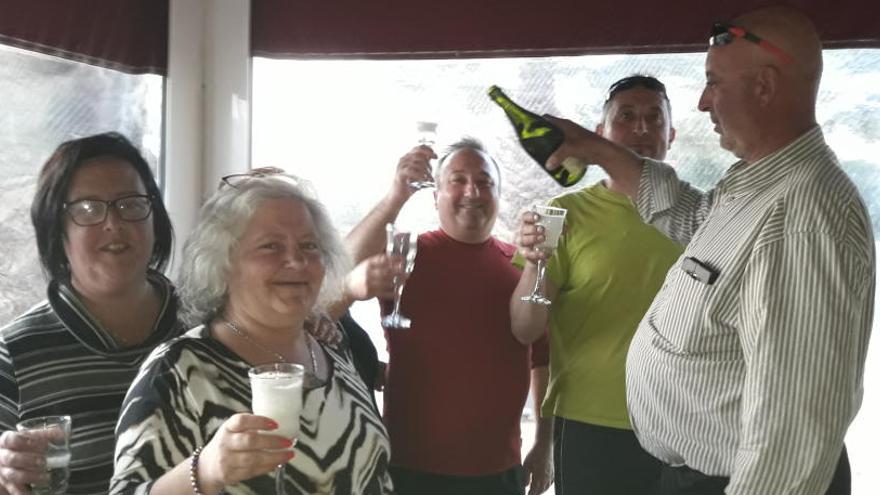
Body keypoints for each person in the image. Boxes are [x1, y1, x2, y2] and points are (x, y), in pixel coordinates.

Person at [540, 6, 873, 494]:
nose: (701, 102)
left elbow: (791, 435)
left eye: (713, 82)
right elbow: (690, 217)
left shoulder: (803, 217)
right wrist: (595, 148)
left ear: (763, 86)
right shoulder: (758, 184)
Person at [111, 170, 393, 494]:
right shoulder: (178, 370)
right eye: (271, 246)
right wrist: (205, 471)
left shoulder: (332, 350)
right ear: (223, 264)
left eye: (309, 246)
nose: (296, 260)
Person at [344, 138, 553, 495]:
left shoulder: (523, 267)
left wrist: (545, 446)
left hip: (499, 472)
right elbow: (340, 271)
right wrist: (396, 195)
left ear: (498, 195)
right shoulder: (406, 256)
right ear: (435, 194)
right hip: (409, 468)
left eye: (485, 182)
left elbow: (544, 362)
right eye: (457, 179)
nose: (472, 191)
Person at [510, 75, 683, 494]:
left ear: (671, 135)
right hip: (590, 422)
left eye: (653, 118)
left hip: (685, 420)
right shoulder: (564, 213)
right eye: (626, 117)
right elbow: (525, 328)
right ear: (601, 133)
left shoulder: (700, 212)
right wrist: (535, 265)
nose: (641, 129)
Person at [0, 132, 178, 494]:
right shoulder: (14, 353)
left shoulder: (206, 323)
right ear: (57, 231)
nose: (113, 223)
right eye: (87, 209)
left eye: (130, 203)